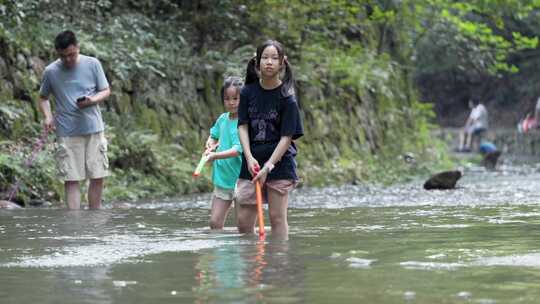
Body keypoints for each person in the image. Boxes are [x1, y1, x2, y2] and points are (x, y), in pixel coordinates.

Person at [236, 40, 304, 240]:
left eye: (274, 58)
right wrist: (249, 158)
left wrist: (268, 167)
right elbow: (242, 125)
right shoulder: (247, 92)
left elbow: (287, 137)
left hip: (279, 164)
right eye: (265, 57)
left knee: (276, 218)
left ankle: (279, 264)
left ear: (282, 63)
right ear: (257, 62)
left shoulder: (287, 99)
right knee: (243, 222)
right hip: (252, 163)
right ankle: (252, 264)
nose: (269, 62)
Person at [38, 30, 111, 210]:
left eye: (72, 54)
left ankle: (95, 217)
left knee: (97, 175)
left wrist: (92, 100)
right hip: (67, 132)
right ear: (57, 53)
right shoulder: (51, 71)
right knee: (71, 178)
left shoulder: (93, 64)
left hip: (93, 128)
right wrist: (48, 117)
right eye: (64, 57)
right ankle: (74, 223)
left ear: (78, 47)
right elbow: (43, 97)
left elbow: (106, 90)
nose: (69, 60)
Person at [204, 76, 244, 230]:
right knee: (214, 223)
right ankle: (222, 253)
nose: (231, 102)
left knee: (243, 226)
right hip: (223, 179)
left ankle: (244, 254)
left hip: (242, 180)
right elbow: (213, 136)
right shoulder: (222, 119)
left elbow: (237, 150)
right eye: (227, 99)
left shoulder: (245, 122)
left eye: (236, 98)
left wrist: (214, 156)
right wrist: (211, 144)